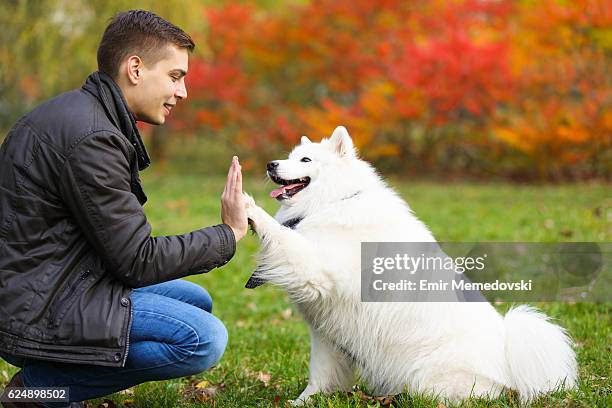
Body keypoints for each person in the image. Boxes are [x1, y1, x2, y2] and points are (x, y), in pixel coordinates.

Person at [0, 10, 248, 408]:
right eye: (175, 76)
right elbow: (137, 261)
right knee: (204, 340)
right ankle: (39, 388)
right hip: (36, 307)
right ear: (135, 68)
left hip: (49, 281)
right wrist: (228, 234)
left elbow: (120, 251)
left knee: (195, 299)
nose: (182, 92)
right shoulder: (92, 137)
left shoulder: (84, 115)